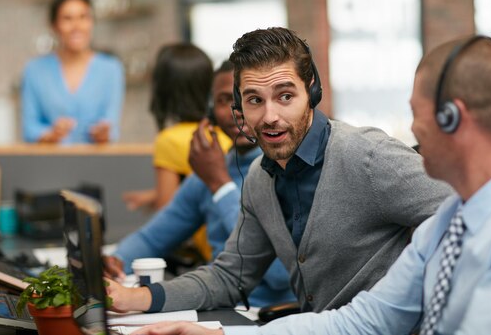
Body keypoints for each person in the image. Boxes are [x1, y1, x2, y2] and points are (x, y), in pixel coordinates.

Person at [135, 35, 491, 335]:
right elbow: (362, 321)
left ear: (452, 118)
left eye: (418, 112)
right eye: (253, 100)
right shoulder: (450, 220)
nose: (411, 130)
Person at [106, 27, 451, 315]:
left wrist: (415, 295)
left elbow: (466, 211)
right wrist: (133, 298)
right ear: (240, 105)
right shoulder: (259, 177)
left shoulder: (368, 156)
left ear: (311, 90)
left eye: (285, 96)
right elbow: (231, 277)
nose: (269, 116)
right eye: (254, 100)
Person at [104, 61, 295, 307]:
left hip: (270, 315)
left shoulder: (286, 168)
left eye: (251, 98)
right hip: (218, 302)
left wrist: (220, 185)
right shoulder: (211, 168)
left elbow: (280, 274)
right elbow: (153, 238)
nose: (237, 108)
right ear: (210, 111)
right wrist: (118, 259)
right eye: (225, 99)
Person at [122, 43, 232, 261]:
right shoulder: (227, 135)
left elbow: (167, 216)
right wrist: (152, 195)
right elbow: (200, 187)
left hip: (214, 256)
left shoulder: (171, 141)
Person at [21, 0, 125, 144]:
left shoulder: (111, 69)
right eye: (67, 19)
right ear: (54, 26)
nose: (77, 26)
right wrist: (51, 134)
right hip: (50, 163)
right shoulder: (34, 71)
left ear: (92, 22)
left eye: (83, 17)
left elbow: (112, 126)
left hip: (96, 164)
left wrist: (102, 133)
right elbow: (30, 129)